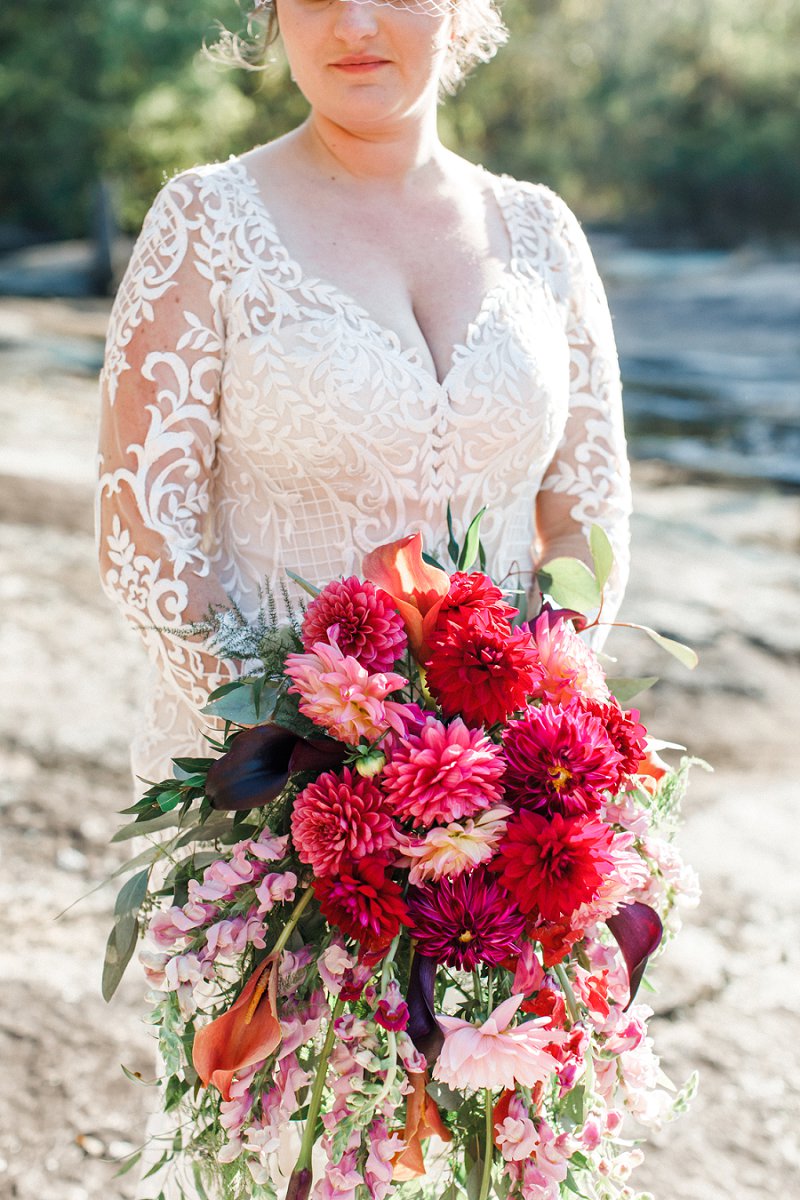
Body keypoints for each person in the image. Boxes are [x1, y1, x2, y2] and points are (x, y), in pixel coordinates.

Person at [97, 1, 631, 1191]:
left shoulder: (538, 231)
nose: (351, 19)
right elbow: (145, 534)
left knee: (481, 1136)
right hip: (265, 817)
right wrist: (302, 766)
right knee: (282, 1144)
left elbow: (583, 511)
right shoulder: (207, 224)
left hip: (499, 818)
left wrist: (533, 746)